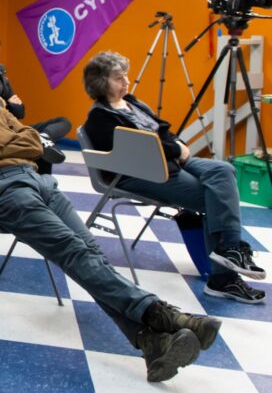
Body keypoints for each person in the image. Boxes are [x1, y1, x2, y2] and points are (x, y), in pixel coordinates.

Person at [0, 57, 224, 382]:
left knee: (90, 253)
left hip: (38, 182)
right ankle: (166, 315)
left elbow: (31, 139)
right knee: (76, 252)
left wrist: (14, 143)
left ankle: (150, 341)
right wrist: (18, 143)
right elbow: (1, 142)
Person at [83, 50, 265, 304]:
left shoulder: (133, 102)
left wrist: (176, 143)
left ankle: (230, 249)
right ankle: (223, 278)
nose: (126, 82)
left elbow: (162, 129)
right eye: (118, 78)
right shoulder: (99, 118)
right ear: (101, 83)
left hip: (170, 164)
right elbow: (138, 149)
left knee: (223, 170)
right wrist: (175, 149)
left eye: (126, 75)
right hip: (144, 172)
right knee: (212, 196)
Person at [0, 25, 71, 173]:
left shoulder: (0, 70)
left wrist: (8, 105)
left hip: (13, 124)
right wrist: (9, 104)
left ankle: (42, 137)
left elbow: (20, 111)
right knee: (39, 150)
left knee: (64, 121)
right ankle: (39, 142)